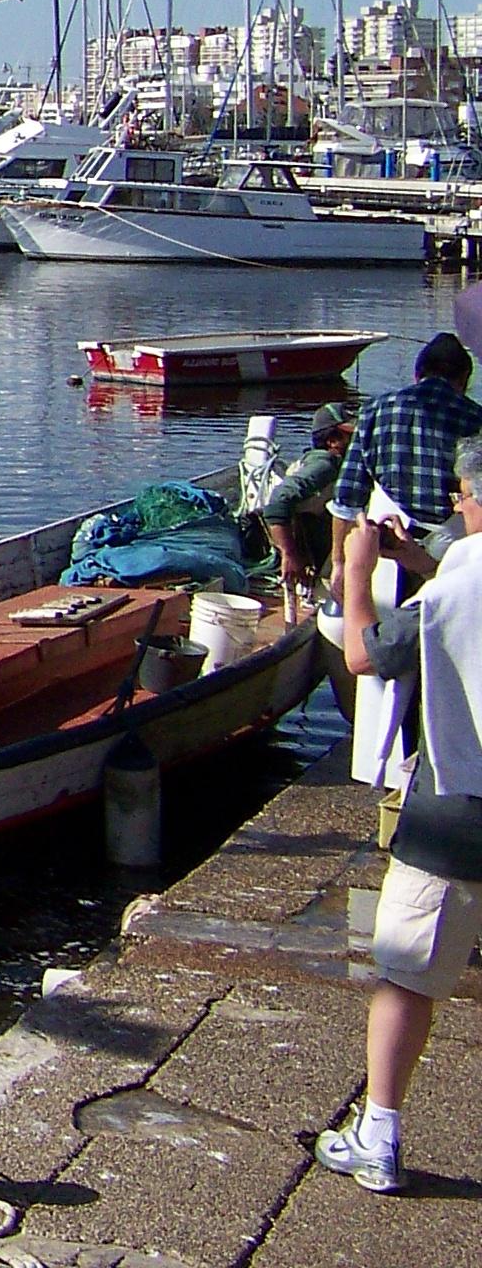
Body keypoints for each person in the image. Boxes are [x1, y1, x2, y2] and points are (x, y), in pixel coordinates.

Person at [319, 431, 482, 1193]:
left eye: (462, 496)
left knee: (407, 976)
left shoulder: (457, 583)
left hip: (455, 813)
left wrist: (357, 571)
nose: (456, 505)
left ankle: (378, 1137)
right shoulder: (454, 570)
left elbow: (362, 653)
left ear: (473, 500)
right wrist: (419, 560)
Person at [333, 334, 482, 589]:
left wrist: (338, 563)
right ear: (464, 380)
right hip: (450, 548)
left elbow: (347, 497)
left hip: (385, 544)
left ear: (417, 374)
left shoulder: (374, 410)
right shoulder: (475, 418)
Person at [260, 402, 352, 590]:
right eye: (349, 435)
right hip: (302, 542)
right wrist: (289, 554)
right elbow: (278, 500)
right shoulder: (325, 465)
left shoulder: (328, 463)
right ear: (332, 441)